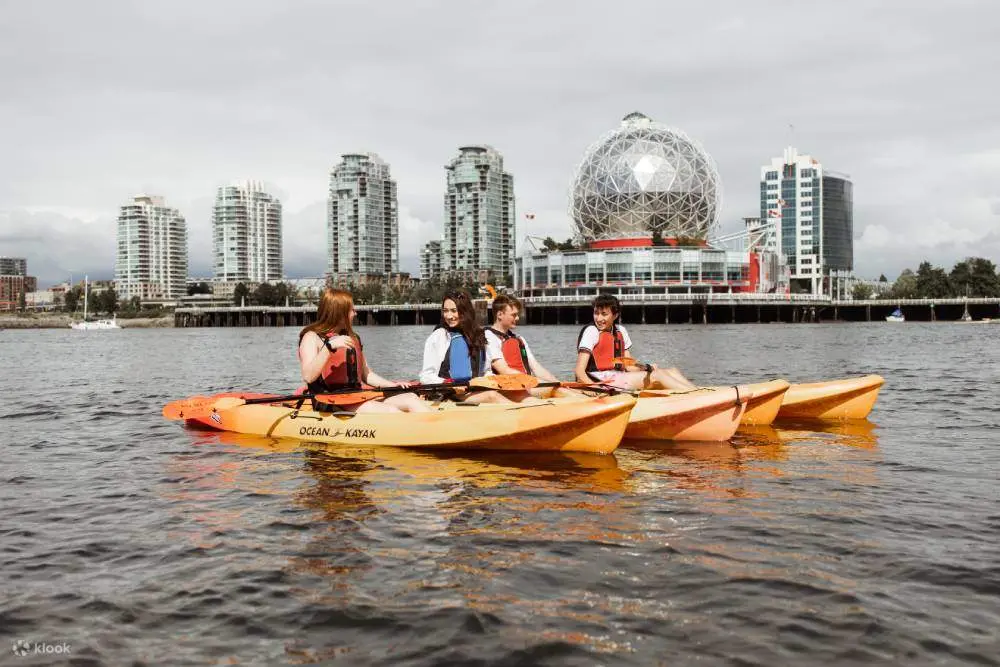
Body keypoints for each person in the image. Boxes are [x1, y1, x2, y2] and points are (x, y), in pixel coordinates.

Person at [298, 288, 431, 413]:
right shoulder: (311, 337)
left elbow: (366, 374)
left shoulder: (352, 338)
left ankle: (437, 431)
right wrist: (328, 348)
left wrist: (393, 385)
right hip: (329, 400)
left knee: (411, 399)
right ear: (339, 313)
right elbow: (308, 376)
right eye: (352, 310)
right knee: (391, 411)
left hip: (356, 396)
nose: (355, 314)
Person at [574, 293, 696, 391]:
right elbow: (579, 371)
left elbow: (628, 366)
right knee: (658, 376)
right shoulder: (591, 331)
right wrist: (596, 389)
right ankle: (695, 398)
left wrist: (646, 367)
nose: (599, 318)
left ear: (615, 315)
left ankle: (697, 392)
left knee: (672, 371)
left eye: (604, 314)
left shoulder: (620, 331)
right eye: (596, 313)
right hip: (599, 380)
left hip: (617, 378)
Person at [420, 289, 514, 404]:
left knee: (513, 393)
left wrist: (494, 380)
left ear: (465, 311)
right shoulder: (438, 337)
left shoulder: (481, 336)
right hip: (448, 395)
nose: (449, 316)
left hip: (474, 391)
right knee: (492, 396)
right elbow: (426, 376)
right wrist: (448, 383)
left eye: (454, 311)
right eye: (445, 311)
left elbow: (485, 371)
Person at [485, 294, 558, 382]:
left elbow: (536, 367)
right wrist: (535, 381)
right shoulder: (488, 337)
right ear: (500, 315)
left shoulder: (519, 339)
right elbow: (503, 370)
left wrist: (558, 383)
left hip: (526, 385)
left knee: (563, 390)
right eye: (514, 315)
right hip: (506, 388)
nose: (518, 318)